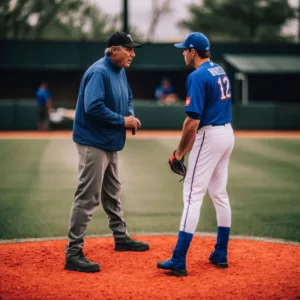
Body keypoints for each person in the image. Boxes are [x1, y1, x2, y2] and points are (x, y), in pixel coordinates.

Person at [65, 31, 150, 273]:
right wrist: (122, 121)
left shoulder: (120, 71)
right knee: (88, 196)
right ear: (114, 49)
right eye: (128, 48)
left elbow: (129, 97)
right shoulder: (99, 72)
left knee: (112, 193)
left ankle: (121, 237)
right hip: (93, 141)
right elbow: (92, 107)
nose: (132, 53)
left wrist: (129, 115)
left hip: (109, 140)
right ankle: (73, 252)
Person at [157, 32, 234, 276]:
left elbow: (192, 122)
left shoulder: (197, 75)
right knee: (219, 194)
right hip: (227, 133)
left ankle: (179, 258)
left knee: (192, 195)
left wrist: (179, 153)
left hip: (210, 135)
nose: (182, 53)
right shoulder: (219, 70)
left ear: (193, 51)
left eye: (184, 49)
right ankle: (221, 253)